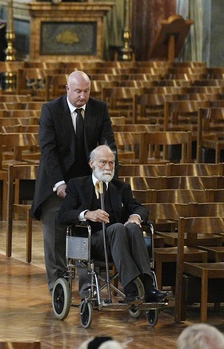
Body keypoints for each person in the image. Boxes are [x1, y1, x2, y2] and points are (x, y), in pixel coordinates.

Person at [31, 70, 116, 294]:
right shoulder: (51, 110)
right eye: (78, 91)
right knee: (55, 236)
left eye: (86, 91)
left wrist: (104, 175)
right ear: (67, 89)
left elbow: (108, 145)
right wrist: (59, 183)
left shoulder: (99, 109)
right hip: (55, 182)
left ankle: (88, 288)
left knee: (88, 233)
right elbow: (48, 151)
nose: (82, 96)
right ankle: (58, 288)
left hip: (86, 182)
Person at [60, 145, 168, 305]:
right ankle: (131, 288)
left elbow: (139, 208)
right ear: (92, 164)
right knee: (118, 228)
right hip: (92, 242)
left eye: (111, 163)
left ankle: (148, 287)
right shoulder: (77, 185)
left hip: (120, 242)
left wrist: (135, 216)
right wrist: (87, 214)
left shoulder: (121, 187)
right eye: (103, 162)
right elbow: (63, 214)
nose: (108, 167)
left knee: (132, 227)